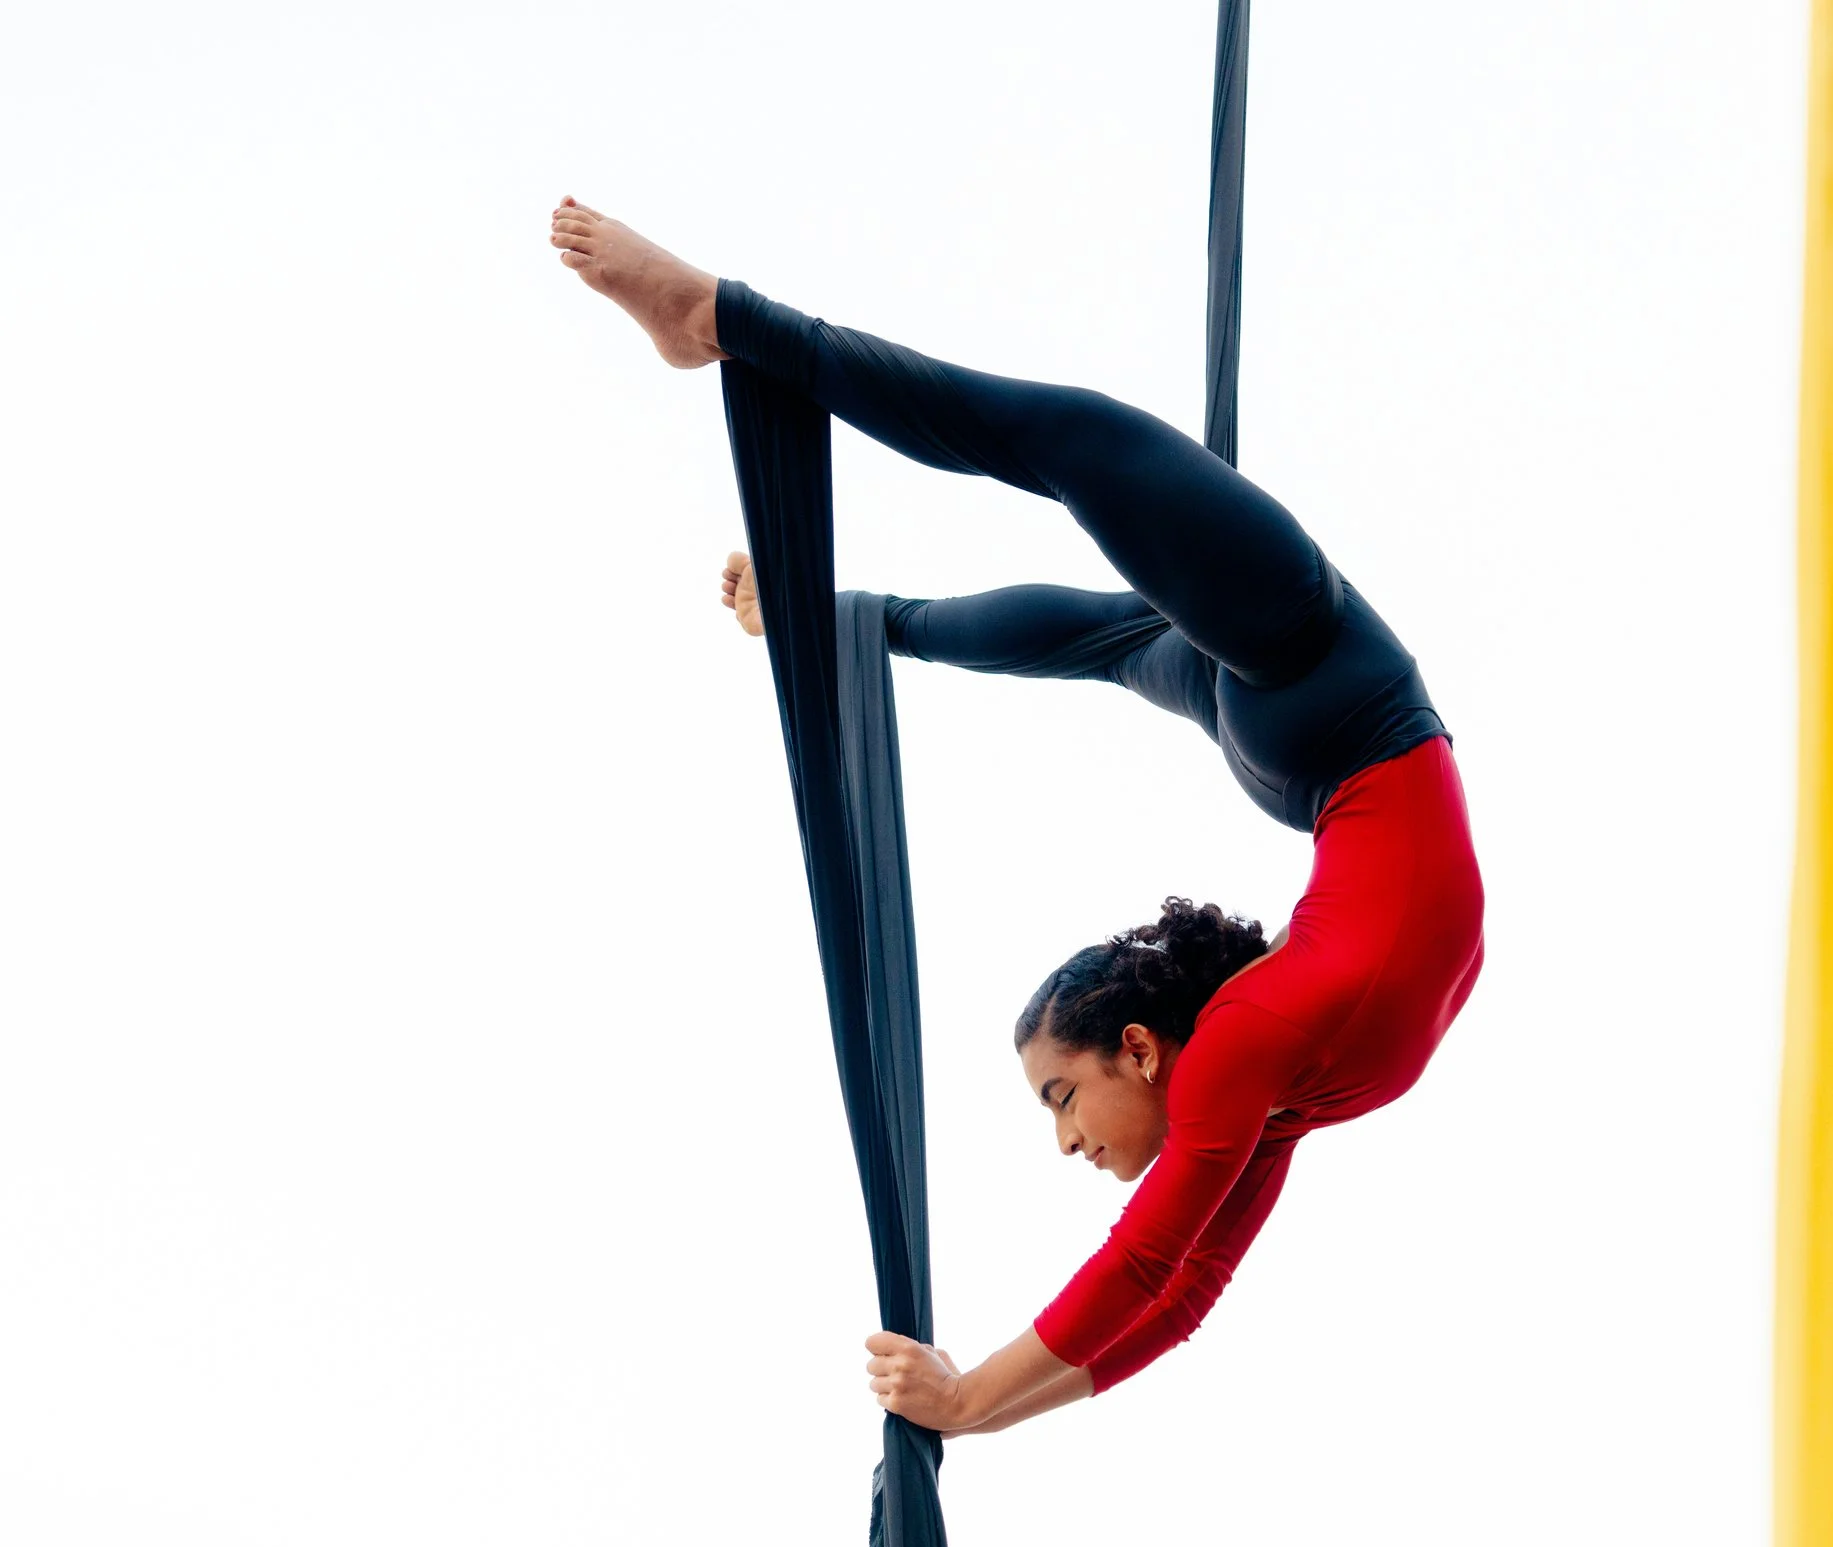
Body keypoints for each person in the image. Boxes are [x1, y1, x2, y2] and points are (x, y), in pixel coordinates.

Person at [549, 197, 1486, 1436]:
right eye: (1059, 1095)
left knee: (1105, 633)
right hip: (1328, 680)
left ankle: (841, 617)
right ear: (1139, 1047)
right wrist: (966, 1400)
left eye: (1053, 1100)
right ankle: (718, 317)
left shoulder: (1271, 1081)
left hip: (1303, 739)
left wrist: (972, 1405)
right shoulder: (1245, 1053)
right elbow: (1159, 1274)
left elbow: (1175, 1289)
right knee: (1065, 442)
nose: (1065, 1140)